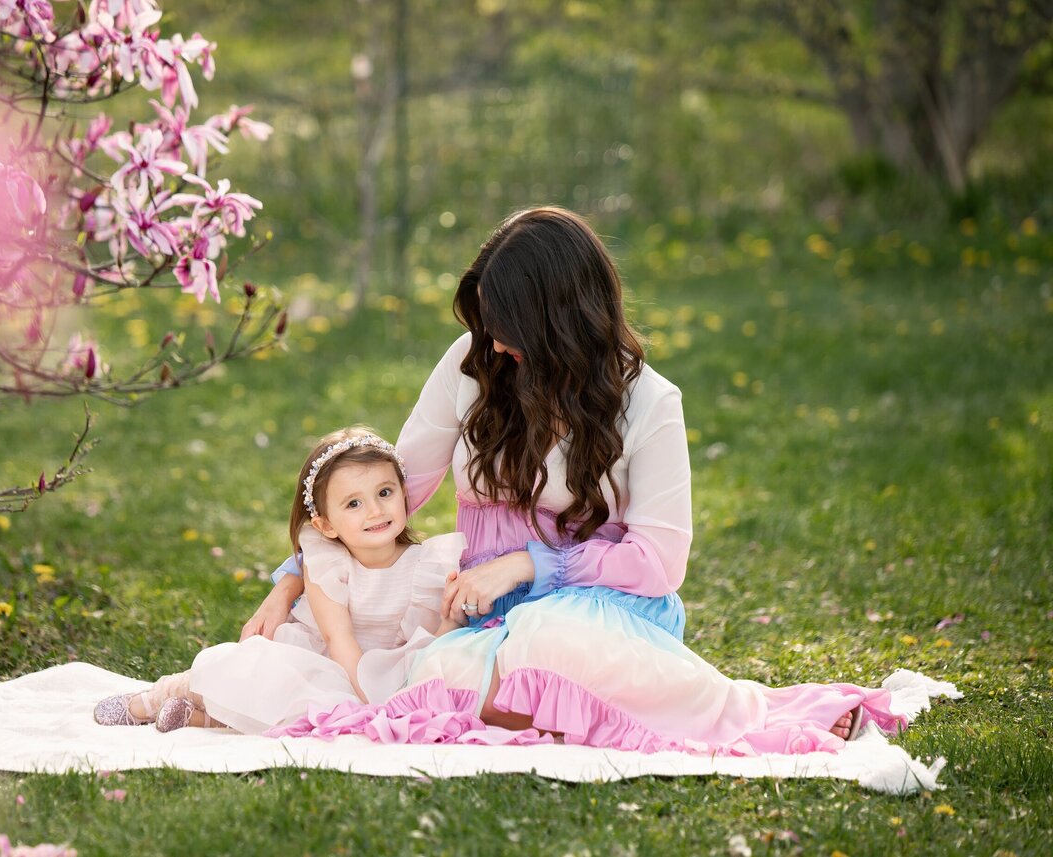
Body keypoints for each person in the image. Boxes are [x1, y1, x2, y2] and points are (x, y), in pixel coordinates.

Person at [248, 206, 900, 754]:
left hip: (605, 610)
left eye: (508, 326)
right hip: (488, 621)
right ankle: (562, 699)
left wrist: (528, 567)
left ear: (560, 320)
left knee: (548, 639)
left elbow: (658, 562)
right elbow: (391, 490)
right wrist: (294, 577)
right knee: (437, 668)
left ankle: (772, 719)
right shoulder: (472, 364)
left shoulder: (649, 403)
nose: (496, 343)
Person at [92, 427, 467, 733]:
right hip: (322, 658)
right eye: (353, 503)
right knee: (258, 674)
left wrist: (395, 693)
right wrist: (373, 700)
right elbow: (339, 640)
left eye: (385, 493)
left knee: (320, 712)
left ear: (404, 493)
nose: (374, 510)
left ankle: (198, 718)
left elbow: (428, 640)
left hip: (383, 670)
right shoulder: (328, 563)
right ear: (325, 525)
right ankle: (157, 697)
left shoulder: (427, 564)